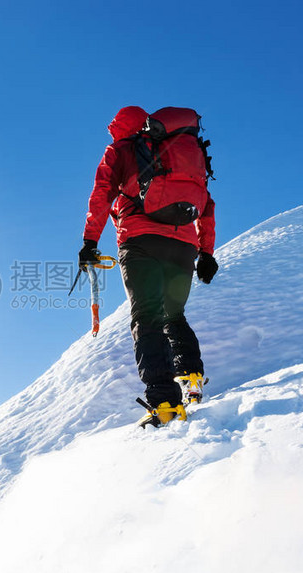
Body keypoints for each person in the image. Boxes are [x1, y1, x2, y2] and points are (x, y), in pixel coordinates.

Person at [79, 105, 218, 425]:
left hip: (140, 240)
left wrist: (89, 242)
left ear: (118, 126)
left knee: (147, 315)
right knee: (174, 313)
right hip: (184, 246)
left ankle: (164, 402)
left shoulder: (123, 149)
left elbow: (101, 194)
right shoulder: (175, 150)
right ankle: (191, 377)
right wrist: (206, 252)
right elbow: (207, 203)